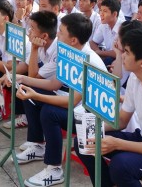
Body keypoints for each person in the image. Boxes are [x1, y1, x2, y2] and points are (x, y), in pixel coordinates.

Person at [15, 13, 106, 187]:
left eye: (61, 32)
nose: (57, 35)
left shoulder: (88, 61)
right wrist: (21, 79)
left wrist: (35, 95)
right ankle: (38, 145)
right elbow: (53, 84)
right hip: (77, 107)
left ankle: (55, 169)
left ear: (73, 40)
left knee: (50, 113)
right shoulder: (70, 52)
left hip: (92, 119)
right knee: (30, 91)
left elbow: (72, 103)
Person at [74, 24, 142, 187]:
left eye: (127, 52)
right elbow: (122, 120)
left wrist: (118, 143)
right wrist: (95, 127)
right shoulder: (136, 79)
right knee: (86, 141)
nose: (122, 55)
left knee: (121, 165)